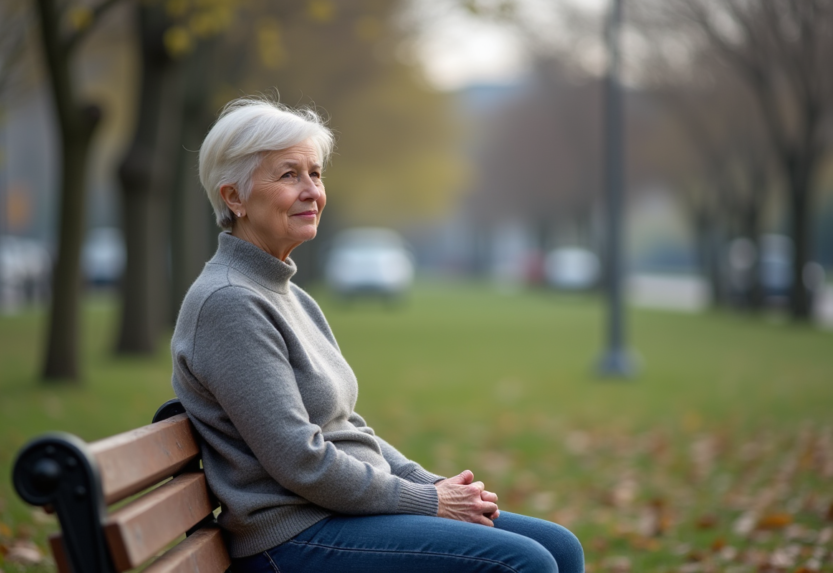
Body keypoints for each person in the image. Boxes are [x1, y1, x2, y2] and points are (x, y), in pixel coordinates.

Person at [171, 97, 585, 573]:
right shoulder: (229, 302)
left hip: (337, 514)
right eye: (289, 175)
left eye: (316, 174)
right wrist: (427, 502)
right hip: (292, 536)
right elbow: (302, 462)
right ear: (234, 198)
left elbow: (346, 427)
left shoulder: (287, 294)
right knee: (523, 562)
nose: (312, 191)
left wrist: (431, 484)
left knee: (560, 546)